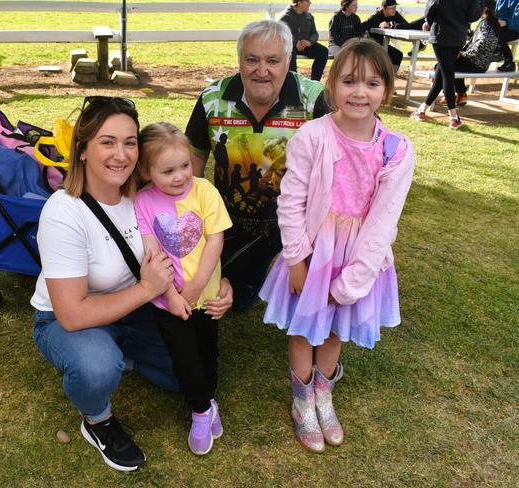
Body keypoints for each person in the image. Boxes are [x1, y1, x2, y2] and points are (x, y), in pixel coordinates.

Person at [30, 97, 233, 472]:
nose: (120, 154)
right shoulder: (63, 213)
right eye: (107, 142)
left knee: (188, 378)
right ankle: (98, 419)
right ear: (82, 148)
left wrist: (222, 282)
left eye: (129, 142)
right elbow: (72, 315)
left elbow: (194, 242)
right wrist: (146, 290)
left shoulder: (145, 193)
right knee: (96, 367)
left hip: (136, 311)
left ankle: (125, 355)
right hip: (69, 319)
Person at [259, 38, 415, 452]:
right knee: (302, 326)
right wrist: (296, 259)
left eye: (371, 83)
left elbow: (384, 221)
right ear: (331, 87)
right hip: (313, 251)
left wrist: (353, 282)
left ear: (387, 89)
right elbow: (291, 201)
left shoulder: (397, 150)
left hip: (357, 256)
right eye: (349, 82)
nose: (359, 93)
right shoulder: (312, 136)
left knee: (332, 331)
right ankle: (301, 399)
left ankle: (323, 396)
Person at [185, 19, 326, 312]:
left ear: (288, 60)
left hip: (299, 225)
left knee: (306, 298)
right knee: (234, 301)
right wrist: (191, 222)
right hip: (233, 222)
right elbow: (193, 159)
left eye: (273, 61)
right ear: (239, 60)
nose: (262, 71)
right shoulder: (212, 99)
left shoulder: (315, 100)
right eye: (252, 60)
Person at [133, 122, 232, 456]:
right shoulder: (143, 202)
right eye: (168, 171)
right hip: (167, 303)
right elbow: (151, 251)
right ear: (145, 171)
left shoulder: (205, 191)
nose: (179, 177)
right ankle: (201, 411)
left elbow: (215, 239)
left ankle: (209, 397)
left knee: (208, 352)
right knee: (184, 358)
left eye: (185, 166)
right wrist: (172, 296)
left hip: (206, 297)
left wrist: (198, 285)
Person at [411, 0, 482, 130]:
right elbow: (473, 15)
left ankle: (453, 117)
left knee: (447, 76)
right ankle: (422, 110)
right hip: (458, 37)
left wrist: (428, 21)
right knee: (442, 74)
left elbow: (431, 7)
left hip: (441, 35)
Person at [434, 0, 502, 107]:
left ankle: (450, 96)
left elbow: (481, 46)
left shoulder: (486, 24)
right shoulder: (493, 22)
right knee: (452, 63)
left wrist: (462, 54)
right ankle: (461, 94)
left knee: (442, 66)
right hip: (482, 64)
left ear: (485, 9)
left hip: (476, 63)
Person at [279, 0, 329, 81]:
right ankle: (293, 83)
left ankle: (315, 83)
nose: (310, 3)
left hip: (306, 45)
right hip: (290, 46)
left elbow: (314, 33)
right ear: (299, 2)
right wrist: (295, 43)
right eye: (308, 1)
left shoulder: (309, 16)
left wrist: (309, 42)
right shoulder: (285, 16)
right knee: (290, 53)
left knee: (323, 51)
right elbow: (281, 34)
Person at [495, 0, 519, 72]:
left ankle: (505, 60)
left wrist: (505, 22)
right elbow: (496, 14)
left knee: (497, 36)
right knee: (488, 32)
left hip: (515, 29)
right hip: (500, 28)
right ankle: (508, 62)